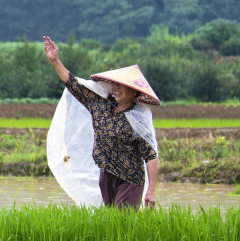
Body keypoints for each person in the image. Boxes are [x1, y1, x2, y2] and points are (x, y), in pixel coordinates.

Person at [43, 36, 159, 209]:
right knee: (110, 218)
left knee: (123, 219)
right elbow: (73, 84)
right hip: (106, 175)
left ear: (134, 92)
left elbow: (150, 155)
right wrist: (55, 60)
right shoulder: (101, 106)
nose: (116, 89)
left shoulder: (138, 119)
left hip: (131, 178)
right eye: (114, 85)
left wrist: (151, 190)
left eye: (121, 86)